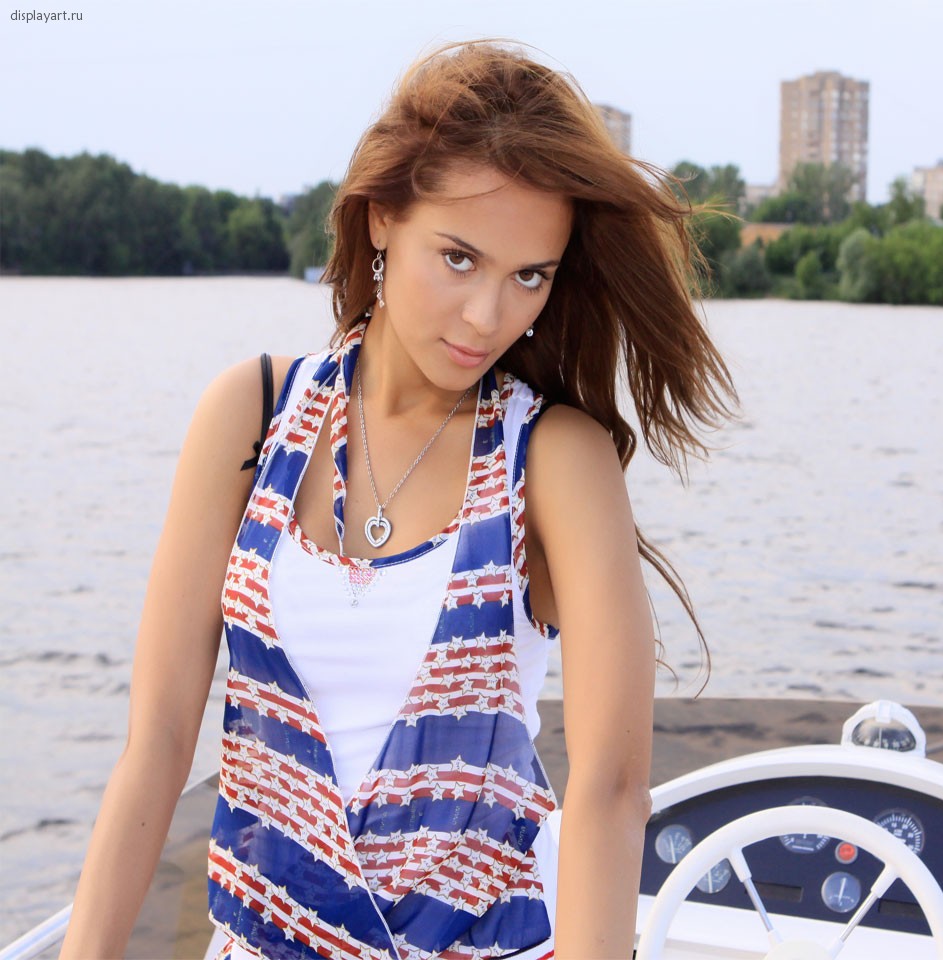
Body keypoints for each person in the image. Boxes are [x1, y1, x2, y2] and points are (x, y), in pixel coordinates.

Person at [58, 39, 735, 960]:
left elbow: (610, 793)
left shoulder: (555, 459)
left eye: (529, 276)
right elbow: (160, 739)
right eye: (459, 258)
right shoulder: (253, 415)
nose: (488, 316)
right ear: (382, 218)